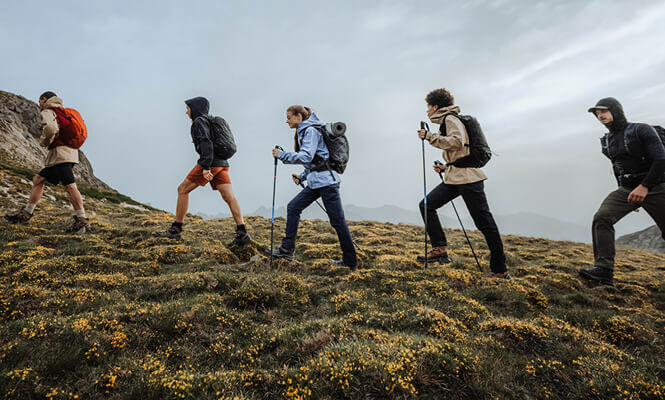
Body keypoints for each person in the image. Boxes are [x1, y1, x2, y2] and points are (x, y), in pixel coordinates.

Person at [417, 88, 510, 279]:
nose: (427, 111)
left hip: (468, 179)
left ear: (435, 107)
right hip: (457, 176)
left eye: (428, 107)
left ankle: (500, 270)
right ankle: (440, 249)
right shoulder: (448, 120)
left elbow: (457, 142)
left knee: (484, 223)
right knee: (427, 205)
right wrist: (445, 168)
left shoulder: (450, 119)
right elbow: (461, 151)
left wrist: (429, 137)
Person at [581, 97, 665, 286]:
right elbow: (618, 167)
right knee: (602, 217)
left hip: (658, 186)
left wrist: (644, 187)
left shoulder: (641, 129)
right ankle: (603, 270)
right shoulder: (608, 140)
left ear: (615, 110)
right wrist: (626, 192)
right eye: (597, 113)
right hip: (628, 189)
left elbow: (661, 159)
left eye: (604, 110)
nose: (600, 115)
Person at [264, 105, 358, 269]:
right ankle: (287, 249)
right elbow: (316, 160)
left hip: (327, 183)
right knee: (293, 207)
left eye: (288, 117)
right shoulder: (306, 131)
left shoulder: (310, 131)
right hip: (317, 181)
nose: (286, 121)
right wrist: (303, 176)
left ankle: (350, 261)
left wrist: (282, 155)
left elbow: (307, 155)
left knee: (338, 222)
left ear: (299, 116)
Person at [155, 96, 250, 244]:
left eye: (188, 108)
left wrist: (205, 167)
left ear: (195, 108)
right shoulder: (211, 120)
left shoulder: (199, 122)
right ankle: (242, 234)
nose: (186, 112)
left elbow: (206, 143)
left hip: (210, 163)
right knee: (229, 197)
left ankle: (176, 230)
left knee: (182, 189)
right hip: (222, 164)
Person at [5, 91, 90, 233]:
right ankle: (26, 213)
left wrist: (44, 141)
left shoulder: (49, 111)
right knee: (38, 179)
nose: (39, 105)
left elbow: (50, 129)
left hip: (61, 155)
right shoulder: (63, 112)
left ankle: (82, 221)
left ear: (44, 100)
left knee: (70, 186)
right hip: (68, 154)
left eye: (40, 102)